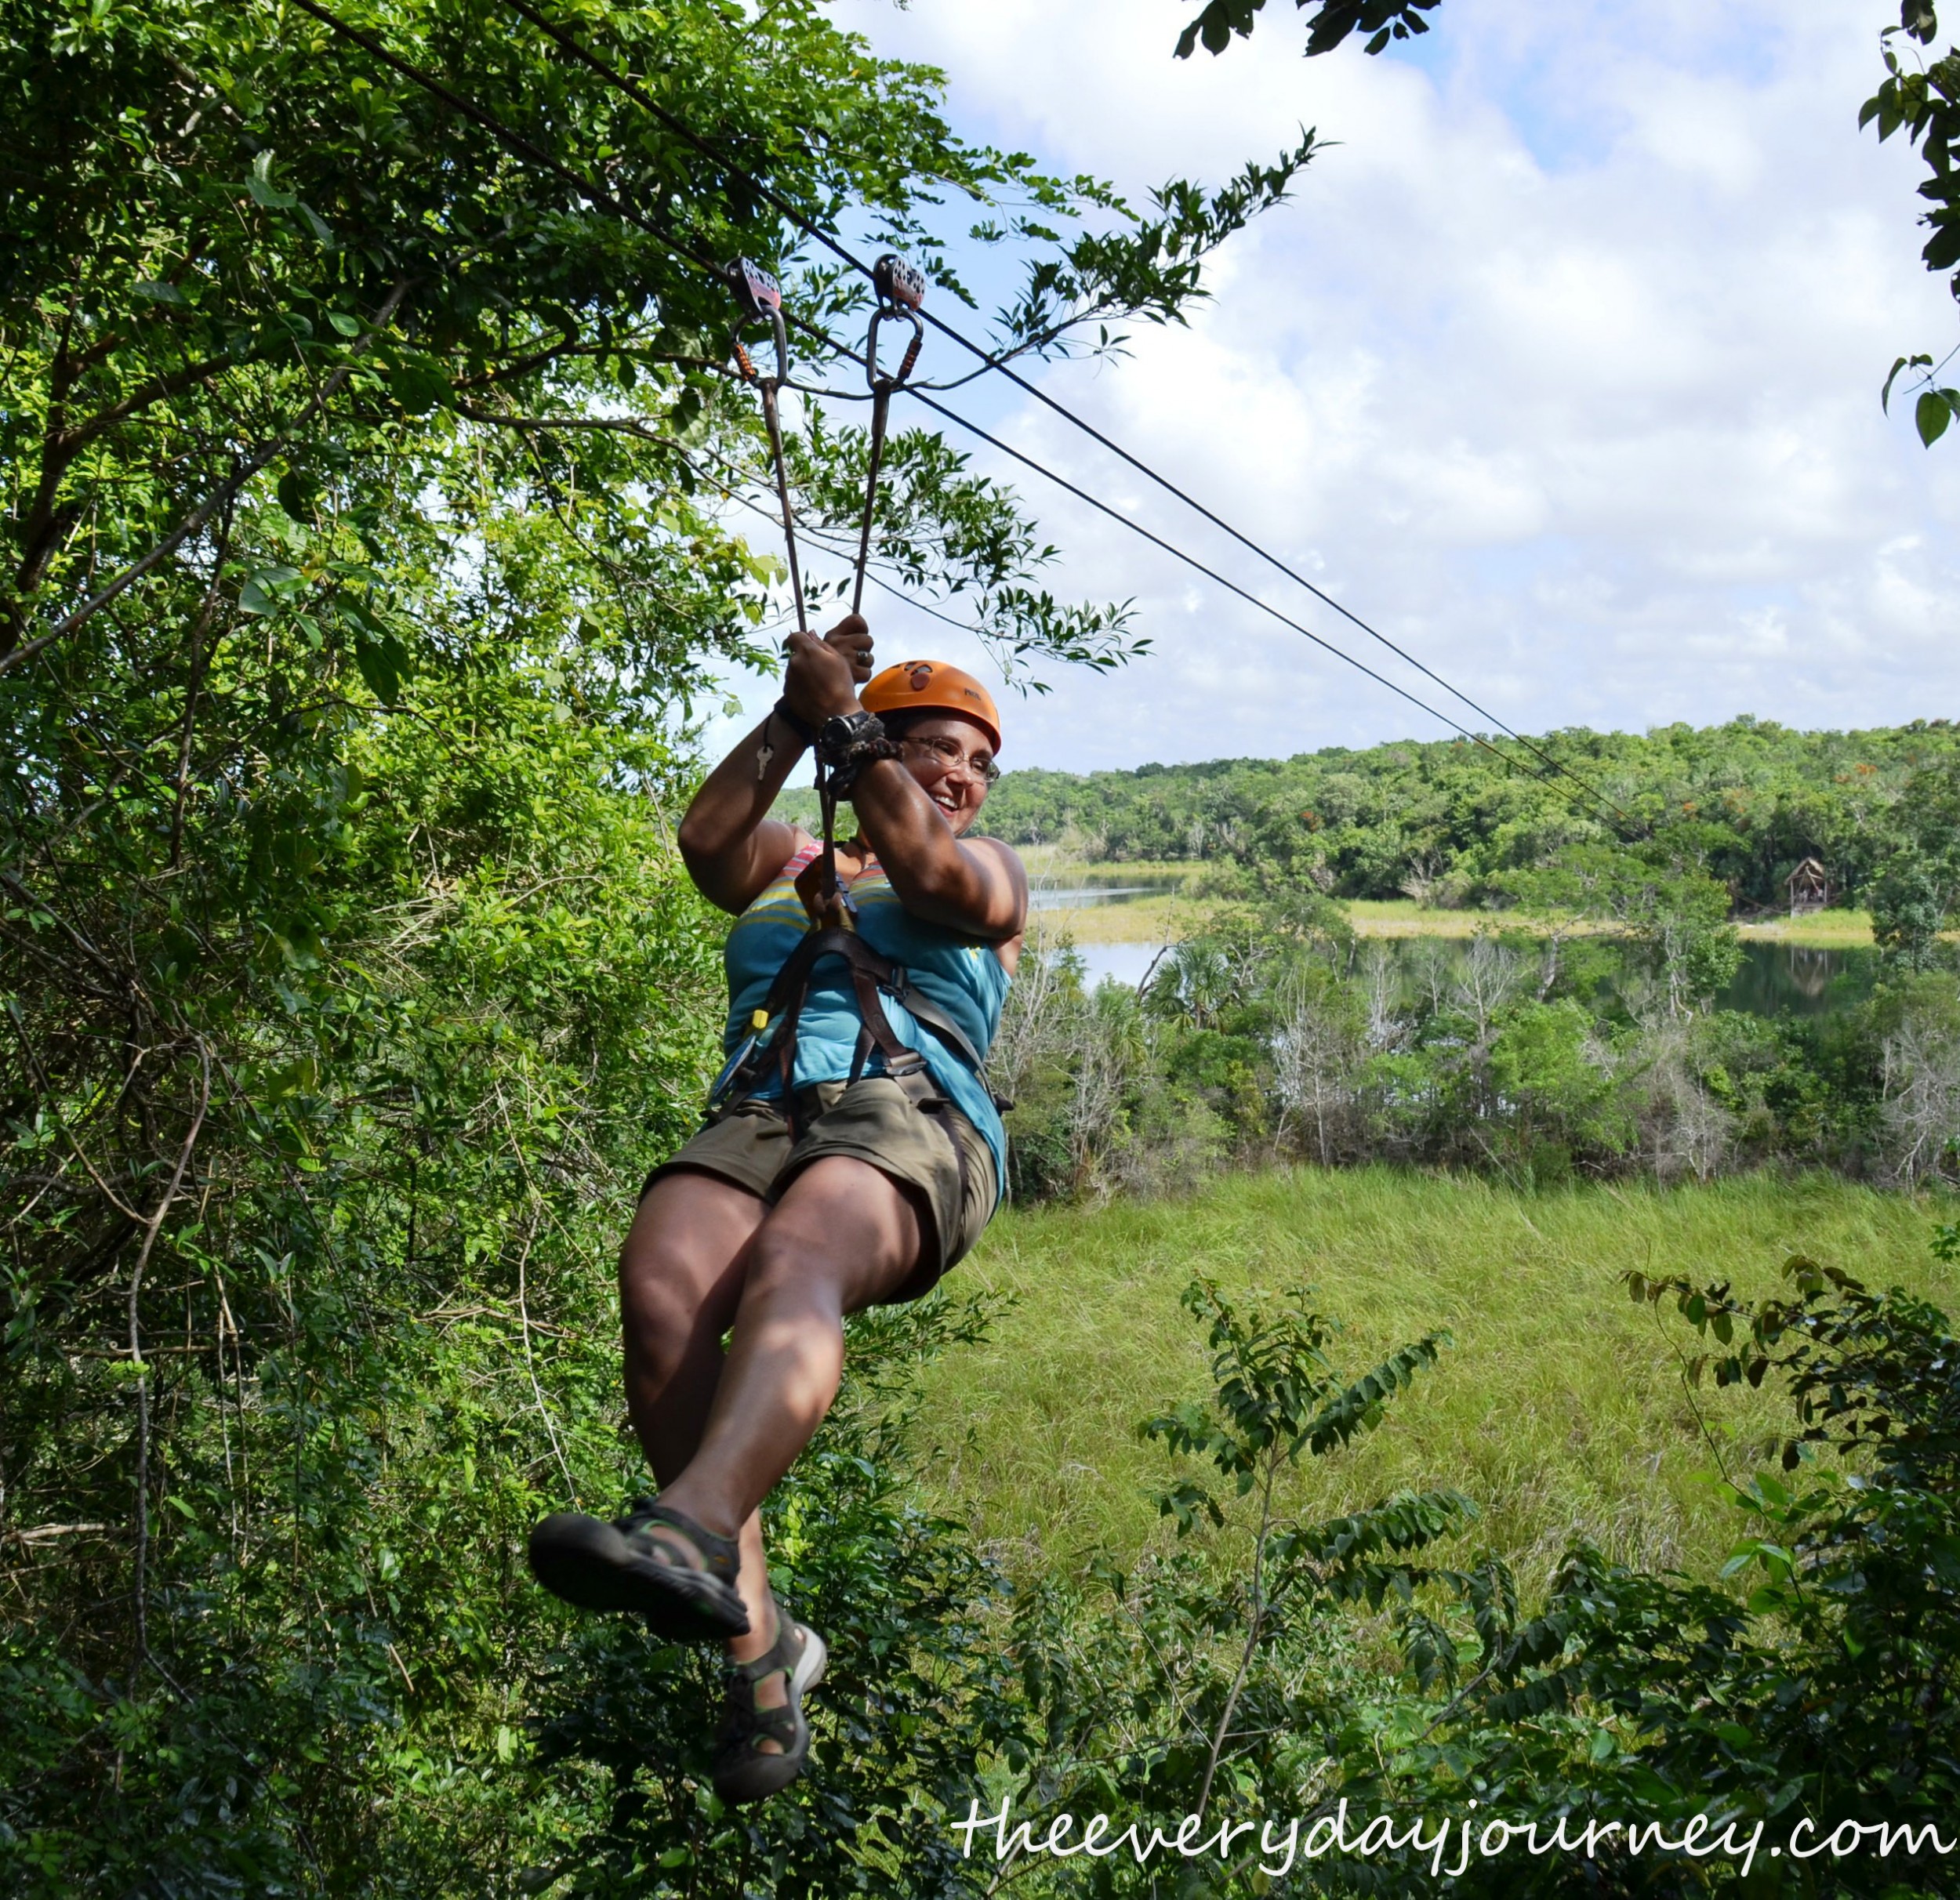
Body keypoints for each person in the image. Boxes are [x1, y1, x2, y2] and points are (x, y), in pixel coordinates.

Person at [526, 616, 1025, 1804]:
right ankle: (762, 1663)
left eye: (977, 761)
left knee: (800, 1250)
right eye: (936, 751)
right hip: (766, 1109)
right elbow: (707, 846)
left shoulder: (994, 874)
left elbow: (935, 876)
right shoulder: (798, 859)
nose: (962, 775)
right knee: (661, 1285)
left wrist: (851, 728)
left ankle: (691, 1524)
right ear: (880, 759)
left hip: (913, 1123)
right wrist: (795, 718)